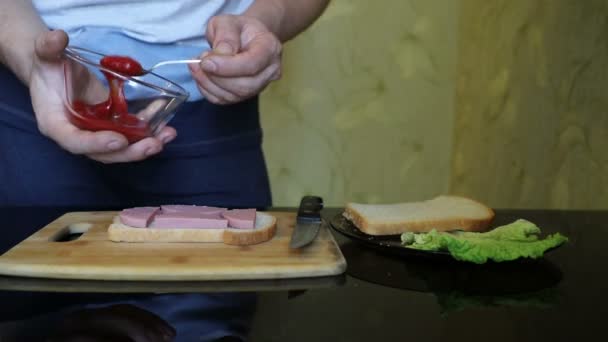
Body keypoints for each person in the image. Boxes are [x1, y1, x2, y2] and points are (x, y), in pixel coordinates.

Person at [0, 0, 330, 208]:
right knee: (37, 309)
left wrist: (263, 22)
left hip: (212, 114)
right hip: (33, 95)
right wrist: (31, 56)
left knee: (214, 303)